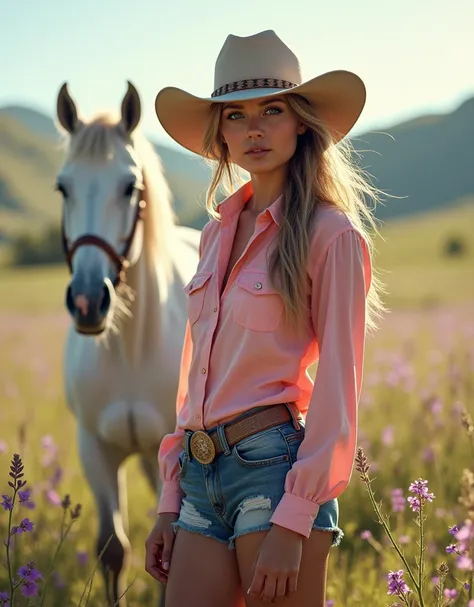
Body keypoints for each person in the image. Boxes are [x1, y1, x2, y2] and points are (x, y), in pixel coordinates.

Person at [145, 29, 384, 607]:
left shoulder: (332, 236)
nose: (253, 129)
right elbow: (193, 378)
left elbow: (338, 388)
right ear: (220, 133)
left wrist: (294, 517)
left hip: (274, 471)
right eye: (235, 115)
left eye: (271, 110)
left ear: (301, 120)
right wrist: (169, 499)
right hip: (202, 476)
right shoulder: (211, 237)